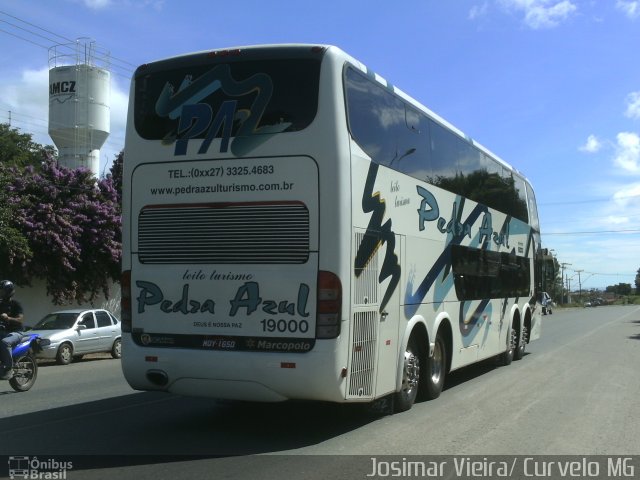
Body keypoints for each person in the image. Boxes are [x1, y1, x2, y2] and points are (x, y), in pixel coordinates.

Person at [0, 280, 24, 380]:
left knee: (5, 343)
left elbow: (20, 319)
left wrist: (8, 318)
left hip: (16, 332)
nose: (1, 293)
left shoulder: (16, 304)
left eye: (2, 291)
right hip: (3, 331)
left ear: (9, 291)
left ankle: (8, 368)